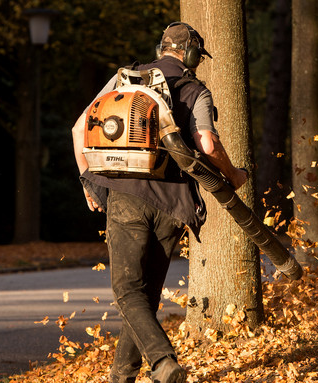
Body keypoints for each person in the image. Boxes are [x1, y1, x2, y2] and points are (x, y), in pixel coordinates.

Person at [71, 22, 247, 383]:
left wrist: (89, 182)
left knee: (127, 291)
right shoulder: (196, 89)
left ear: (160, 48)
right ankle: (124, 376)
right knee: (144, 294)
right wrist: (234, 174)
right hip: (173, 203)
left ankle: (163, 363)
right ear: (192, 54)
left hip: (125, 195)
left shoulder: (126, 79)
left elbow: (79, 129)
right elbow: (208, 146)